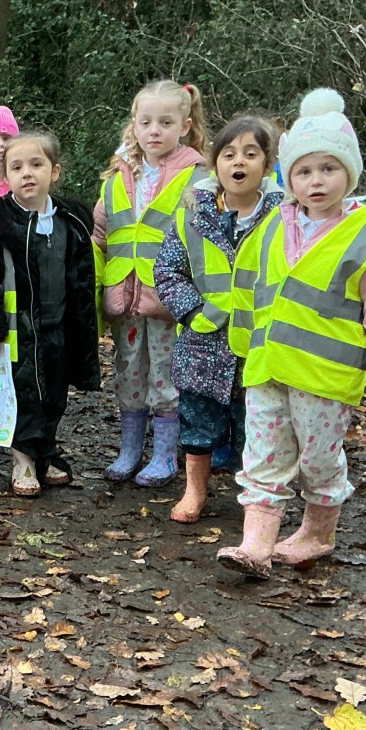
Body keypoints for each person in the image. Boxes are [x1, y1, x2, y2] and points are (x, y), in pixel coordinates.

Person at [217, 88, 366, 578]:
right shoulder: (271, 227)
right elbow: (248, 288)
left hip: (325, 376)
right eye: (304, 170)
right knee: (261, 454)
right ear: (289, 178)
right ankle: (256, 545)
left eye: (329, 168)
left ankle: (317, 533)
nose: (316, 180)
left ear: (350, 172)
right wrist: (242, 347)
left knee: (318, 461)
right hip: (267, 366)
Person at [0, 131, 100, 496]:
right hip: (17, 329)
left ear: (56, 171)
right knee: (23, 393)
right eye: (16, 167)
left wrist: (85, 326)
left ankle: (45, 450)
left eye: (36, 165)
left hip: (59, 325)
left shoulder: (70, 220)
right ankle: (24, 458)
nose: (27, 173)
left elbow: (81, 277)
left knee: (54, 393)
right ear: (5, 175)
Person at [151, 116, 284, 522]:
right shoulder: (191, 213)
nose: (238, 162)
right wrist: (192, 312)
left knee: (256, 426)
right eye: (228, 154)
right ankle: (195, 492)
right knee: (198, 420)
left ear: (267, 163)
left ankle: (257, 501)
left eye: (250, 153)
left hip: (260, 342)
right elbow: (168, 270)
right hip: (203, 340)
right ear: (216, 163)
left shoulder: (284, 216)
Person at [95, 80, 210, 487]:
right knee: (128, 373)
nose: (155, 130)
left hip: (167, 300)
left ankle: (164, 455)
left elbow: (204, 238)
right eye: (146, 122)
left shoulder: (197, 178)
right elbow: (100, 235)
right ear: (135, 126)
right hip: (123, 296)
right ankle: (129, 450)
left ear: (185, 125)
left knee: (165, 376)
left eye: (165, 122)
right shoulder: (117, 177)